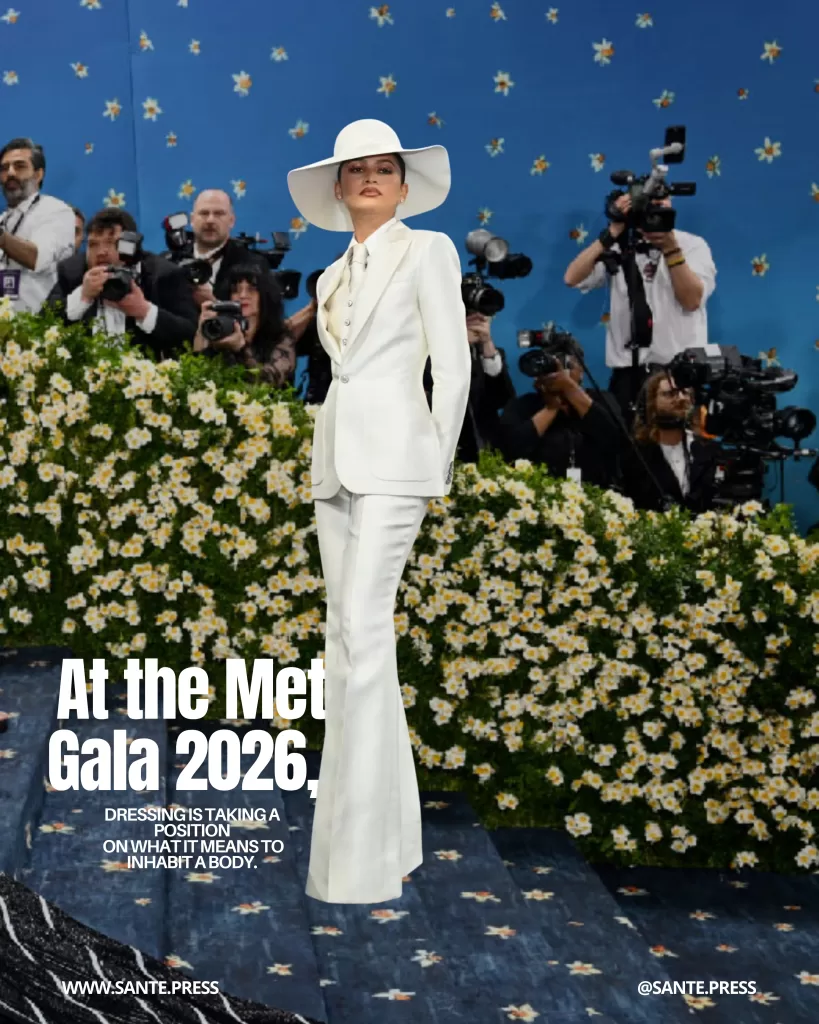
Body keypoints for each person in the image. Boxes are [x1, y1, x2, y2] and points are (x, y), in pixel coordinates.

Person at [286, 118, 470, 904]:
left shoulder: (428, 250)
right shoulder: (328, 278)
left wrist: (432, 462)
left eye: (382, 169)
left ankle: (355, 864)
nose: (368, 178)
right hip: (336, 467)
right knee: (352, 646)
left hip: (398, 465)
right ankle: (390, 843)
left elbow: (452, 368)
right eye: (353, 169)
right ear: (336, 189)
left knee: (361, 633)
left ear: (402, 186)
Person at [563, 193, 716, 419]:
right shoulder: (619, 246)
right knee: (626, 450)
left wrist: (671, 248)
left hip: (679, 373)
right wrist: (613, 231)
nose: (655, 212)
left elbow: (692, 300)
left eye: (662, 204)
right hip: (628, 374)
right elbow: (571, 278)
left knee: (678, 449)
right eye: (649, 206)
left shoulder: (693, 245)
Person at [46, 208, 199, 361]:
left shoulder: (163, 274)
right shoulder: (72, 272)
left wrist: (144, 311)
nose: (101, 252)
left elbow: (190, 335)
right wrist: (82, 297)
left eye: (110, 243)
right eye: (93, 245)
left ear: (132, 245)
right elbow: (43, 324)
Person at [499, 334, 623, 490]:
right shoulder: (523, 405)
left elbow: (614, 438)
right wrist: (551, 408)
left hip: (597, 494)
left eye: (568, 367)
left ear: (582, 370)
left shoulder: (601, 400)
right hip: (538, 497)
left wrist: (570, 389)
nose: (558, 374)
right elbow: (509, 450)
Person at [424, 311, 516, 462]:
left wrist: (487, 345)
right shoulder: (423, 354)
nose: (478, 321)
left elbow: (502, 400)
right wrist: (456, 345)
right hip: (443, 455)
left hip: (487, 456)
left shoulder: (489, 355)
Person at [624, 370, 719, 513]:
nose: (680, 398)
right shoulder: (635, 454)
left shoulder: (707, 451)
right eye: (669, 394)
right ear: (651, 402)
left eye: (685, 393)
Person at [0, 137, 75, 313]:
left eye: (19, 166)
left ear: (38, 174)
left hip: (41, 329)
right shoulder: (3, 219)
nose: (10, 173)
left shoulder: (55, 211)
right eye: (4, 168)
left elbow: (37, 258)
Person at [192, 262, 296, 387]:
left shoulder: (281, 338)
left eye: (251, 289)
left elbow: (266, 382)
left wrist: (240, 349)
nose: (242, 296)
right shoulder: (220, 332)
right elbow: (195, 377)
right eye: (235, 290)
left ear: (265, 296)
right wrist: (202, 332)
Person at [188, 189, 269, 305]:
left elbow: (263, 319)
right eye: (204, 213)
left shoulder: (254, 265)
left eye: (219, 214)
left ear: (231, 221)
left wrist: (213, 303)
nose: (210, 220)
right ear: (192, 220)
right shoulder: (171, 262)